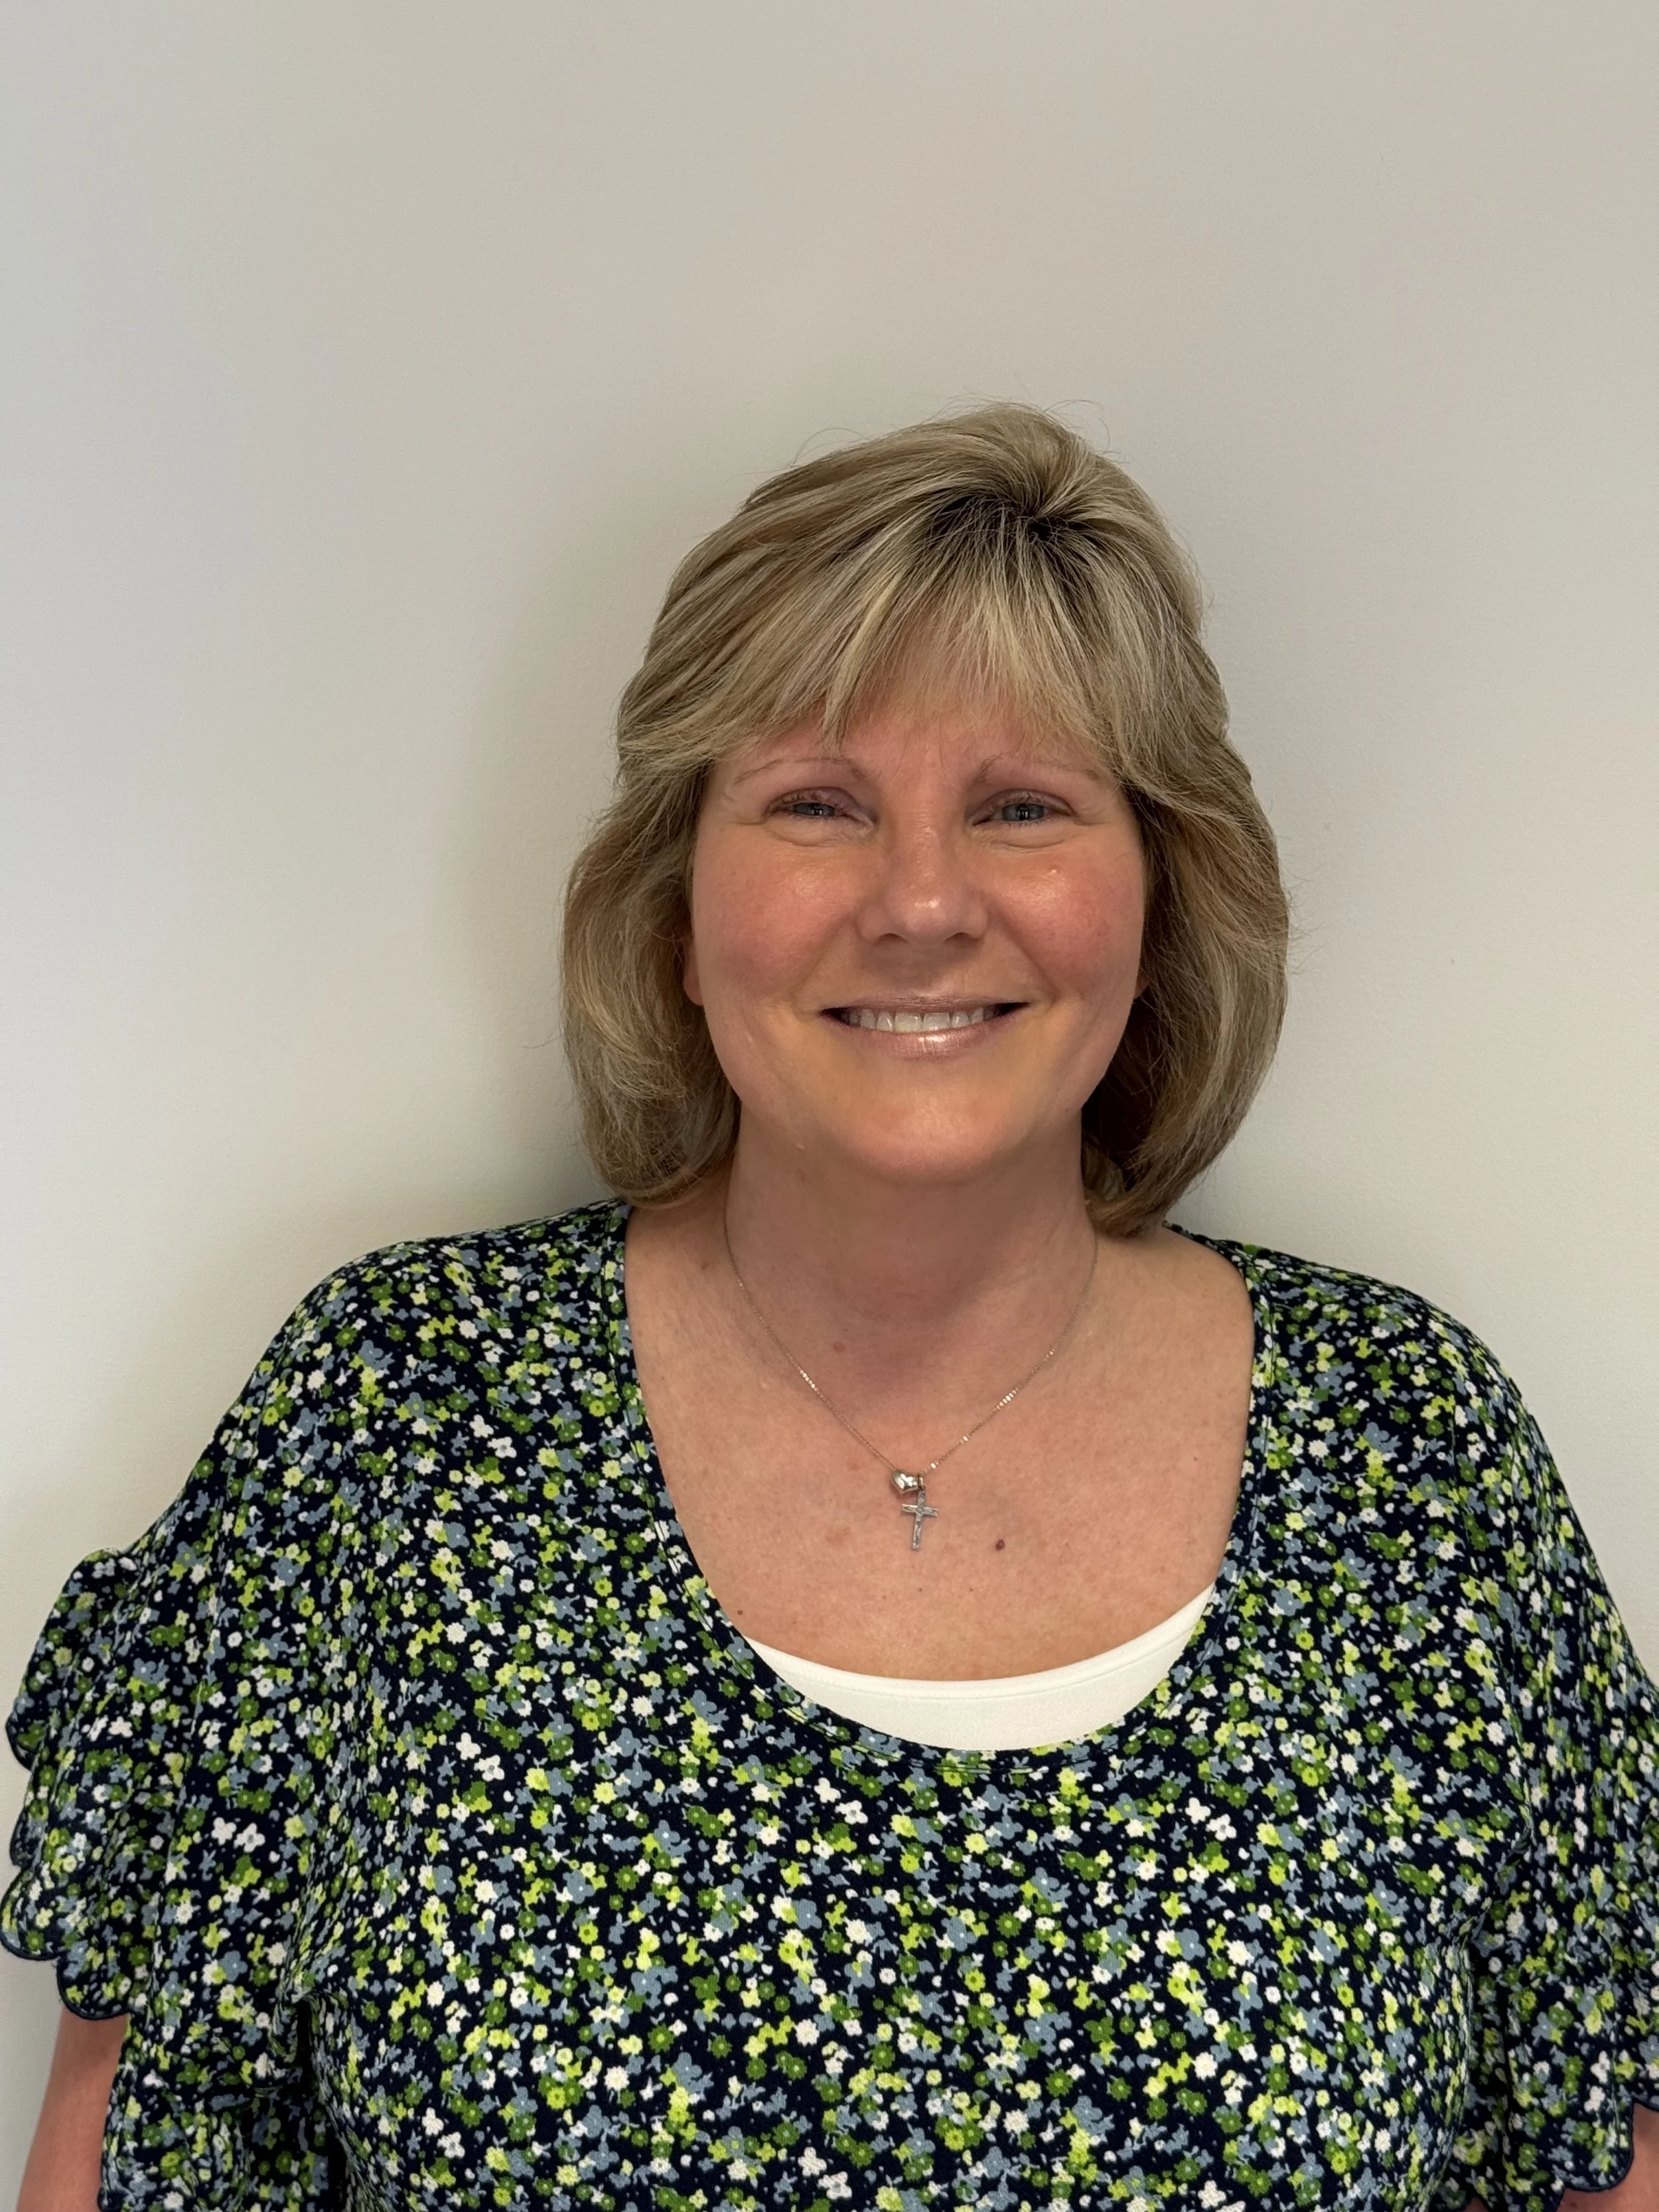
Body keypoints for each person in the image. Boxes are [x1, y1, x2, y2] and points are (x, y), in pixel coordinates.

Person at [8, 404, 1656, 2212]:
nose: (923, 903)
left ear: (1160, 896)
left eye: (1022, 807)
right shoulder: (393, 1421)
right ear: (676, 904)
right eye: (817, 804)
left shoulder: (1408, 1455)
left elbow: (1599, 2155)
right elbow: (134, 2154)